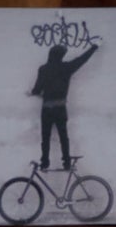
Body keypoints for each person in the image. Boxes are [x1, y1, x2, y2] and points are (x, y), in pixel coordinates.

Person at [30, 34, 100, 169]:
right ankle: (66, 162)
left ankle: (45, 162)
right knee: (63, 136)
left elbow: (37, 89)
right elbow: (82, 59)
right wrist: (94, 46)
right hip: (60, 107)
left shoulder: (43, 69)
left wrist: (34, 93)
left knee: (45, 137)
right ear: (61, 56)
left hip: (47, 108)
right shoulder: (67, 68)